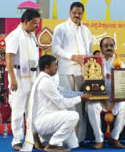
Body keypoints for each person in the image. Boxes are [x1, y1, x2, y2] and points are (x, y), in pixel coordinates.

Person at [21, 55, 91, 152]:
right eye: (55, 65)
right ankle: (52, 144)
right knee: (73, 116)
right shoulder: (45, 81)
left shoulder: (46, 78)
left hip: (46, 120)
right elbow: (61, 102)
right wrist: (80, 98)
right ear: (47, 67)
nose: (57, 67)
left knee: (73, 144)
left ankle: (38, 136)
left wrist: (81, 94)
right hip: (43, 122)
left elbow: (65, 93)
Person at [52, 2, 92, 143]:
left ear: (82, 14)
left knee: (82, 105)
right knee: (69, 105)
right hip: (67, 72)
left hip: (83, 74)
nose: (77, 15)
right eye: (74, 12)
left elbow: (89, 53)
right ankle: (67, 139)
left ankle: (80, 138)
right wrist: (72, 57)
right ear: (70, 12)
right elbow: (55, 49)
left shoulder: (86, 31)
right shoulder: (61, 28)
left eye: (80, 13)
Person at [86, 37, 125, 149]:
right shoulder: (94, 62)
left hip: (115, 100)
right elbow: (87, 81)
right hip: (99, 100)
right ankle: (99, 139)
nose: (109, 48)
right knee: (92, 106)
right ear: (101, 48)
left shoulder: (121, 63)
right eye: (106, 46)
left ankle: (114, 138)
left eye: (111, 45)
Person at [5, 9, 40, 151]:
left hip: (33, 75)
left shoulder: (32, 36)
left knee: (32, 109)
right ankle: (17, 140)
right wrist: (13, 78)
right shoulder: (14, 35)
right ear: (26, 22)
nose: (36, 26)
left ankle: (31, 138)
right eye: (34, 24)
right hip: (19, 75)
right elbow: (9, 57)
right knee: (19, 109)